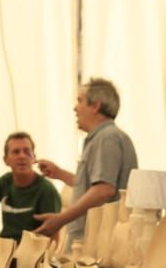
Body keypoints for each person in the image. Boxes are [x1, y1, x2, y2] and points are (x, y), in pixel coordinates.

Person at [35, 77, 137, 240]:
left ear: (95, 106)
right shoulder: (102, 138)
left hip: (97, 243)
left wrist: (60, 219)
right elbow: (95, 186)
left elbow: (104, 191)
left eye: (80, 101)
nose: (75, 108)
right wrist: (59, 173)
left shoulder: (107, 138)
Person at [0, 132, 61, 241]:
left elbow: (53, 242)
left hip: (28, 253)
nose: (22, 156)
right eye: (16, 152)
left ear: (34, 158)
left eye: (27, 151)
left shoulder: (46, 190)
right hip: (2, 248)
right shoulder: (6, 181)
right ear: (6, 160)